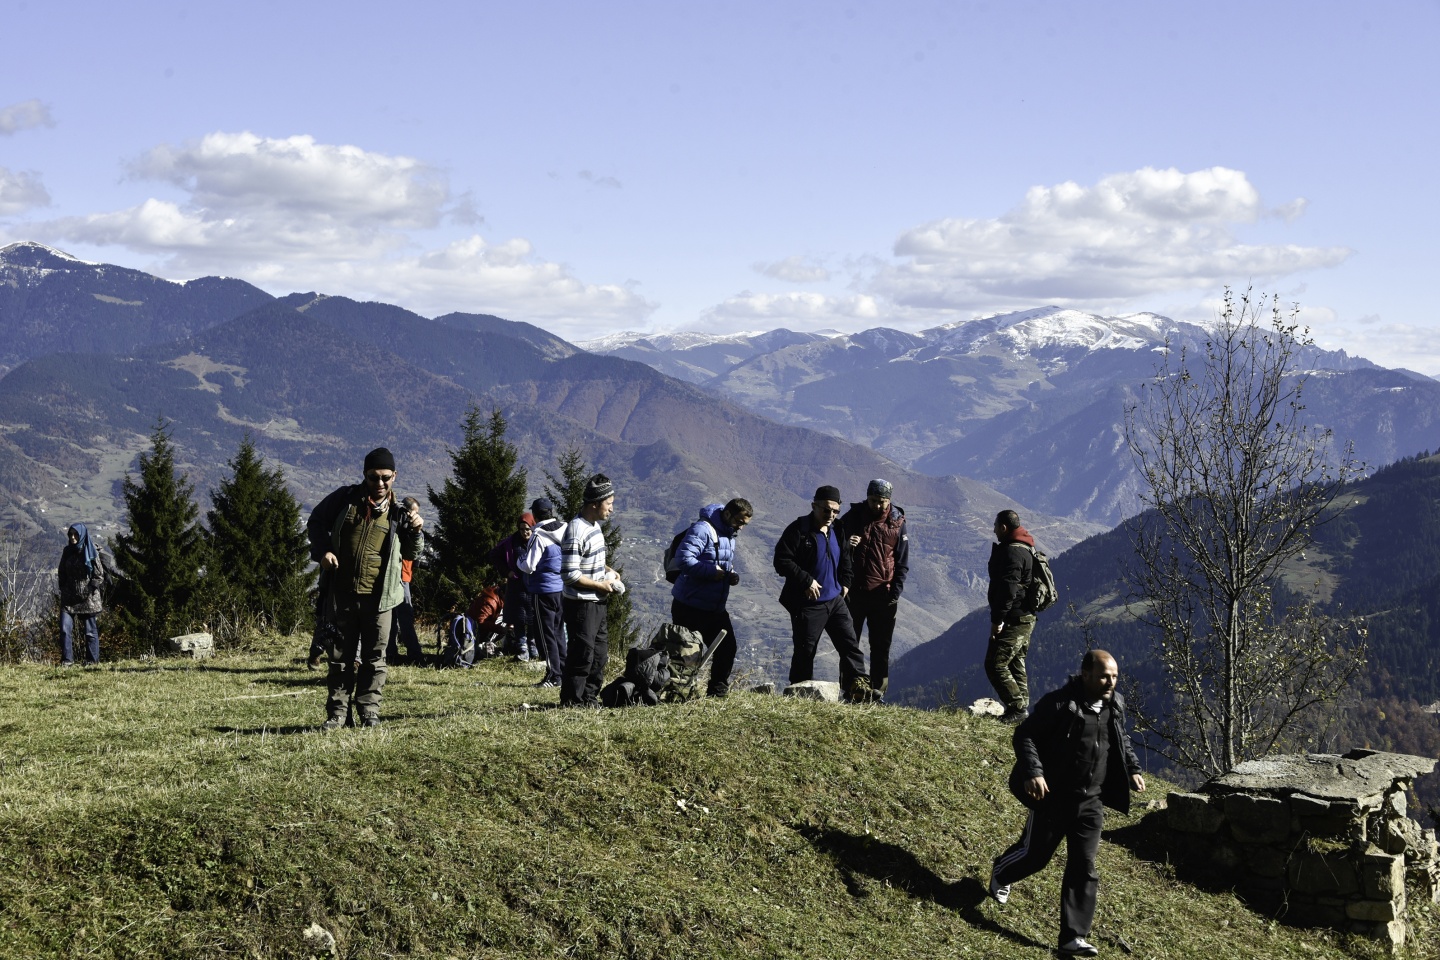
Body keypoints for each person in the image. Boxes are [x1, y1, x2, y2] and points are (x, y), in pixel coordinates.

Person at [989, 650, 1145, 958]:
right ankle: (1001, 873)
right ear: (1085, 675)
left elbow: (1120, 738)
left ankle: (1073, 937)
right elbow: (1025, 735)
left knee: (1084, 867)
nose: (1110, 682)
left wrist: (1133, 769)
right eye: (1104, 676)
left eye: (1114, 676)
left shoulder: (1115, 704)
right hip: (1054, 796)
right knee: (1035, 856)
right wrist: (1034, 773)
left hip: (1091, 802)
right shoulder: (1060, 704)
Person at [306, 447, 423, 730]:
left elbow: (412, 553)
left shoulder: (399, 514)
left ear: (394, 476)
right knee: (339, 658)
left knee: (375, 658)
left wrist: (417, 531)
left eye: (385, 477)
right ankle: (338, 714)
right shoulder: (344, 499)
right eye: (373, 477)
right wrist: (323, 552)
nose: (379, 483)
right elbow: (316, 522)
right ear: (365, 475)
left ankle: (369, 712)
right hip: (341, 593)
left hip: (380, 599)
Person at [773, 485, 871, 700]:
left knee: (850, 646)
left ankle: (860, 691)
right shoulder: (798, 530)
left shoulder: (838, 529)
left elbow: (845, 557)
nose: (831, 515)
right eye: (826, 510)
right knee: (805, 651)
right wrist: (806, 580)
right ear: (814, 506)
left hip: (835, 600)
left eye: (835, 511)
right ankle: (798, 695)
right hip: (808, 604)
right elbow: (781, 560)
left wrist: (846, 582)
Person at [670, 498, 753, 698]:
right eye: (739, 522)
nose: (741, 527)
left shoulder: (728, 534)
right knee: (688, 652)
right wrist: (711, 573)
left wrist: (730, 574)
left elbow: (718, 561)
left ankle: (717, 693)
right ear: (727, 514)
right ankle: (679, 694)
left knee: (727, 647)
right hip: (690, 605)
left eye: (744, 524)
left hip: (713, 606)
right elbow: (683, 559)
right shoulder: (702, 529)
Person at [838, 479, 909, 700]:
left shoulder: (897, 523)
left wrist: (894, 593)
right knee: (850, 644)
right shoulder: (853, 517)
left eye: (882, 501)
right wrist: (847, 545)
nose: (877, 505)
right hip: (854, 594)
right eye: (873, 500)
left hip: (883, 595)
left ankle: (877, 692)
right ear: (867, 497)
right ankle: (851, 690)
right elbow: (833, 545)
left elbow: (902, 561)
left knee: (881, 646)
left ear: (889, 500)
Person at [560, 474, 623, 707]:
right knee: (582, 654)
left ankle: (589, 697)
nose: (612, 509)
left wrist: (608, 570)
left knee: (599, 654)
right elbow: (569, 574)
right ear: (595, 504)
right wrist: (600, 585)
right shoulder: (576, 530)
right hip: (581, 604)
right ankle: (572, 701)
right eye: (609, 504)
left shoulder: (594, 527)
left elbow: (587, 560)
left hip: (597, 602)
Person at [987, 509, 1037, 724]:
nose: (994, 531)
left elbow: (1008, 590)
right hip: (1025, 617)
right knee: (1016, 662)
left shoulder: (1012, 553)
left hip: (1015, 618)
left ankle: (1017, 708)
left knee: (995, 664)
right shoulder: (1025, 547)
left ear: (1004, 527)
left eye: (996, 526)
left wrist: (997, 620)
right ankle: (1021, 711)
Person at [525, 497, 567, 689]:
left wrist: (519, 561)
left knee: (545, 634)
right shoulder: (565, 528)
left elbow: (529, 565)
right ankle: (563, 672)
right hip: (561, 588)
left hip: (543, 590)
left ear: (534, 515)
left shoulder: (538, 535)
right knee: (559, 632)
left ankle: (553, 676)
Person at [57, 523, 110, 665]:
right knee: (64, 629)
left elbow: (99, 575)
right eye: (70, 534)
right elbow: (62, 571)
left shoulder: (90, 551)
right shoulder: (67, 551)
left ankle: (92, 661)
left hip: (88, 598)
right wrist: (63, 587)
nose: (73, 537)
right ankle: (67, 661)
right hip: (69, 598)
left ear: (82, 535)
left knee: (90, 631)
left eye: (76, 534)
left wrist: (90, 589)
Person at [489, 511, 537, 660]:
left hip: (534, 585)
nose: (524, 532)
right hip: (516, 586)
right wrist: (507, 572)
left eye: (527, 529)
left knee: (533, 617)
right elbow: (494, 555)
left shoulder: (538, 540)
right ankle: (522, 647)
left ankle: (533, 646)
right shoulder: (511, 542)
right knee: (518, 618)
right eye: (521, 529)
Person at [385, 497, 425, 666]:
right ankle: (413, 653)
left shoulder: (402, 526)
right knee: (404, 616)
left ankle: (391, 652)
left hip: (402, 575)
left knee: (393, 618)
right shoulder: (402, 527)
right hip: (401, 577)